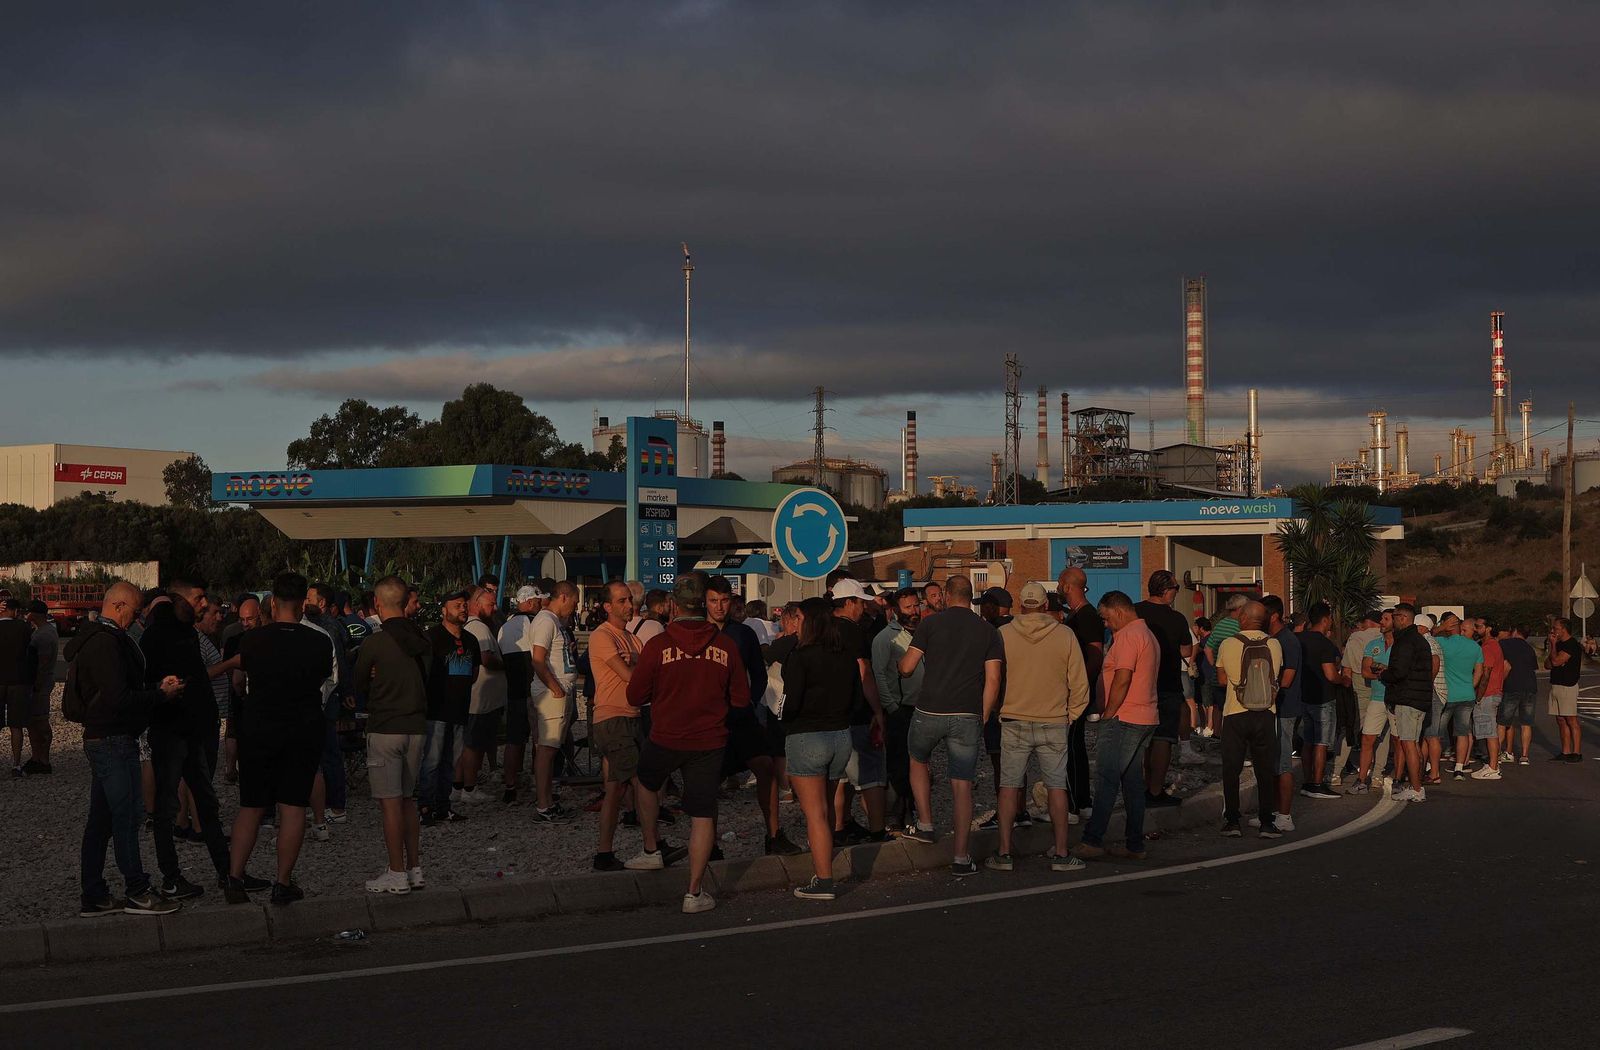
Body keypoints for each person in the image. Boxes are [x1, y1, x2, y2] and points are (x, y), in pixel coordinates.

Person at [624, 572, 747, 914]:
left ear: (674, 605)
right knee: (702, 813)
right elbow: (741, 699)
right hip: (709, 740)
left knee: (646, 782)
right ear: (704, 605)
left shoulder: (658, 645)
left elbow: (635, 694)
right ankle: (694, 892)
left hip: (665, 735)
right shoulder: (725, 646)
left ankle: (651, 850)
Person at [68, 582, 185, 917]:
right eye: (134, 613)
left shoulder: (94, 639)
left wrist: (155, 688)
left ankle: (94, 894)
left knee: (102, 820)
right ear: (119, 606)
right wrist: (160, 695)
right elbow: (119, 698)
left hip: (104, 737)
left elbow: (116, 691)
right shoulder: (106, 644)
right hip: (113, 739)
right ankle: (137, 890)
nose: (136, 621)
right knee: (126, 816)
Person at [226, 573, 335, 905]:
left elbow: (239, 681)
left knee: (251, 806)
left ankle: (234, 878)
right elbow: (320, 679)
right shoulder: (319, 642)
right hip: (301, 727)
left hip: (259, 727)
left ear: (272, 602)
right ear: (303, 603)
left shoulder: (253, 640)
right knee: (292, 807)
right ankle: (282, 881)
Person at [898, 575, 1003, 877]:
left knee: (918, 757)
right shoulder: (987, 631)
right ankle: (960, 856)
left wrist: (899, 669)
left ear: (945, 595)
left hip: (929, 709)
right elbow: (993, 679)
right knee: (962, 785)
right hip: (967, 713)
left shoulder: (930, 625)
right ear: (970, 597)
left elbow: (907, 667)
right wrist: (982, 716)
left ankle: (926, 824)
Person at [986, 582, 1090, 872]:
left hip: (1013, 718)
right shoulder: (1065, 635)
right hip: (1053, 720)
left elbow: (992, 678)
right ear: (1046, 606)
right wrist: (1072, 714)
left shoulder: (1003, 634)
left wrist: (997, 710)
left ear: (1021, 606)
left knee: (1008, 787)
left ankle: (1004, 852)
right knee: (1057, 787)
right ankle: (1060, 852)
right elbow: (1079, 683)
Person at [140, 578, 233, 901]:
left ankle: (228, 873)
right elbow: (150, 682)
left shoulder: (186, 632)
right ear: (178, 600)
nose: (204, 604)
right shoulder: (157, 635)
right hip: (170, 732)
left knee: (207, 804)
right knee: (168, 808)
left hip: (193, 732)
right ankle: (171, 877)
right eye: (198, 598)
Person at [705, 575, 797, 854]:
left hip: (740, 715)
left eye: (724, 601)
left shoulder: (743, 633)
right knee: (708, 781)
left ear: (732, 602)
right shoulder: (698, 633)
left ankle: (773, 835)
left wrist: (747, 701)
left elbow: (759, 674)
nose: (719, 607)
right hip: (709, 720)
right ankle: (710, 844)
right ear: (704, 602)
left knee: (766, 767)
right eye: (713, 601)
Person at [351, 575, 431, 894]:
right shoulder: (421, 640)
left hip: (385, 727)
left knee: (390, 804)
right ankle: (414, 868)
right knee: (409, 800)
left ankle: (395, 872)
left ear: (378, 604)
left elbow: (358, 682)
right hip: (417, 726)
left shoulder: (375, 642)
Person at [781, 598, 865, 900]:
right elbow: (857, 699)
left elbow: (790, 703)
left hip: (807, 735)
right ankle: (824, 863)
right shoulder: (845, 655)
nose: (796, 622)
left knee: (814, 813)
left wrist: (783, 720)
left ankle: (824, 879)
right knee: (827, 807)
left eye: (800, 617)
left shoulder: (801, 656)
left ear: (810, 620)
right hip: (840, 735)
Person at [1075, 591, 1161, 861]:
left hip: (1125, 717)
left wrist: (1109, 714)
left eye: (1106, 617)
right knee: (1132, 783)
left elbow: (1122, 678)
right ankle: (1134, 844)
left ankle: (1093, 839)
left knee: (1106, 779)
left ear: (1118, 611)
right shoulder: (1146, 634)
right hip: (1144, 715)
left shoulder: (1127, 636)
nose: (1105, 623)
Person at [588, 581, 647, 871]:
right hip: (613, 717)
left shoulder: (633, 640)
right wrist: (637, 664)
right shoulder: (602, 636)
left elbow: (649, 672)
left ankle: (604, 852)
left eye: (630, 600)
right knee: (640, 779)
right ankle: (654, 845)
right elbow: (631, 677)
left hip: (632, 715)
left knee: (615, 787)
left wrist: (637, 661)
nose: (629, 605)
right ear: (608, 606)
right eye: (622, 601)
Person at [827, 578, 889, 846]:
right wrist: (877, 710)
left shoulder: (822, 629)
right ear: (849, 603)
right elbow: (864, 672)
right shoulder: (852, 632)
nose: (863, 609)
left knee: (839, 778)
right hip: (855, 713)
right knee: (870, 776)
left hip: (829, 716)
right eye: (860, 603)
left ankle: (838, 828)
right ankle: (878, 832)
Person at [1215, 601, 1284, 837]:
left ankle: (1233, 821)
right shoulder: (1274, 644)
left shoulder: (1228, 643)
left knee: (1231, 769)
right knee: (1264, 769)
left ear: (1242, 618)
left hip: (1235, 713)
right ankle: (1267, 822)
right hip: (1266, 713)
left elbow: (1222, 680)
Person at [1133, 570, 1195, 809]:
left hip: (1139, 683)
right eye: (1176, 588)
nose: (1176, 593)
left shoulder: (1135, 612)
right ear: (1167, 590)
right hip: (1167, 683)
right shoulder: (1177, 618)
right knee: (1163, 739)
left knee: (1140, 740)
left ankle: (1137, 787)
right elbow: (1187, 651)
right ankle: (1155, 790)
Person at [419, 589, 478, 825]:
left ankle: (444, 807)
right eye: (456, 605)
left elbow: (473, 673)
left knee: (451, 762)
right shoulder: (431, 637)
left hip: (460, 710)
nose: (462, 609)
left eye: (464, 605)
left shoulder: (471, 640)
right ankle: (425, 807)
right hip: (436, 710)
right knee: (432, 760)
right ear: (444, 609)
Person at [871, 588, 924, 833]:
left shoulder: (925, 632)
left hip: (923, 708)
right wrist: (891, 706)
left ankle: (915, 810)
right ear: (896, 610)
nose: (914, 611)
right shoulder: (885, 638)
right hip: (900, 709)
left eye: (916, 605)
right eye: (908, 607)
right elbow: (879, 674)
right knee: (898, 763)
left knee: (920, 762)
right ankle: (896, 815)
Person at [526, 582, 580, 820]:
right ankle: (543, 804)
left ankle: (547, 800)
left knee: (550, 749)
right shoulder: (546, 621)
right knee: (546, 750)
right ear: (564, 597)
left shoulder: (554, 622)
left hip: (559, 690)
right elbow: (538, 659)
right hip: (551, 693)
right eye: (575, 603)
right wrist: (555, 687)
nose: (575, 608)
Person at [1058, 567, 1105, 820]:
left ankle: (1076, 802)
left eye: (1059, 582)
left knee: (1071, 746)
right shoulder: (1074, 616)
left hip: (1077, 693)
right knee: (1073, 746)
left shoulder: (1087, 616)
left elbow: (1095, 655)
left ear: (1067, 586)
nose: (1057, 586)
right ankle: (1081, 800)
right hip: (1073, 691)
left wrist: (1079, 688)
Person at [1378, 604, 1432, 802]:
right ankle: (1416, 785)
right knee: (1414, 744)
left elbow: (1399, 672)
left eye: (1394, 617)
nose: (1391, 621)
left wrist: (1384, 674)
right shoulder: (1420, 640)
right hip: (1419, 698)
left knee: (1408, 743)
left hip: (1407, 698)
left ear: (1403, 618)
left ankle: (1417, 789)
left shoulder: (1405, 642)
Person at [1257, 595, 1301, 833]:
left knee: (1283, 763)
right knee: (1272, 762)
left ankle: (1285, 815)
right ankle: (1272, 812)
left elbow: (1287, 678)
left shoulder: (1287, 641)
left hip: (1284, 710)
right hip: (1273, 709)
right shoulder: (1273, 639)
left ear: (1273, 616)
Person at [496, 584, 544, 804]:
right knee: (539, 739)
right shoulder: (534, 623)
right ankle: (538, 781)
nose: (541, 603)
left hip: (513, 690)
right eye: (539, 600)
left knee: (514, 741)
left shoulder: (505, 626)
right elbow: (540, 658)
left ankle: (510, 786)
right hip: (533, 690)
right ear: (531, 602)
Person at [459, 586, 506, 804]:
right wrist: (506, 666)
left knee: (471, 743)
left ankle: (460, 785)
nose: (494, 608)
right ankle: (469, 788)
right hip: (481, 700)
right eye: (490, 604)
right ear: (477, 605)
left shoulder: (471, 627)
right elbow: (486, 658)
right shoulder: (479, 628)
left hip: (480, 697)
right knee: (474, 745)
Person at [1297, 602, 1344, 799]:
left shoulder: (1297, 639)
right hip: (1323, 698)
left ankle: (1307, 781)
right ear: (1325, 620)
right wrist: (1344, 680)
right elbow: (1331, 675)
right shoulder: (1325, 645)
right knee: (1321, 743)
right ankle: (1317, 782)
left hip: (1302, 696)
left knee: (1307, 741)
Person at [1349, 610, 1395, 794]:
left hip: (1396, 698)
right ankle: (1361, 780)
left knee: (1398, 741)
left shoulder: (1402, 645)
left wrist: (1381, 670)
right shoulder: (1373, 644)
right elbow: (1365, 671)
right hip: (1376, 698)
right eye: (1381, 619)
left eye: (1386, 619)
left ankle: (1397, 779)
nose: (1381, 622)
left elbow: (1402, 672)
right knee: (1368, 737)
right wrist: (1387, 672)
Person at [1434, 613, 1484, 779]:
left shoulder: (1441, 643)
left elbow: (1427, 636)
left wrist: (1440, 628)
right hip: (1467, 694)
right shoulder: (1475, 647)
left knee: (1436, 733)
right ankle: (1459, 768)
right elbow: (1479, 671)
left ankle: (1430, 767)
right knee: (1462, 732)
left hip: (1446, 695)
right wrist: (1471, 686)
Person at [1340, 609, 1384, 785]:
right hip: (1381, 685)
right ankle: (1378, 774)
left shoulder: (1356, 637)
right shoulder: (1387, 638)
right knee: (1381, 733)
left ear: (1369, 622)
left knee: (1352, 726)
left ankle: (1337, 772)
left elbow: (1347, 666)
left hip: (1359, 682)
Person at [0, 596, 38, 778]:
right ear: (15, 611)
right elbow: (31, 652)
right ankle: (16, 764)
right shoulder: (23, 628)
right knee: (16, 725)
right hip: (19, 681)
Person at [23, 600, 59, 773]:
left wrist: (37, 684)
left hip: (40, 685)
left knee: (40, 721)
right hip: (41, 683)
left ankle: (43, 760)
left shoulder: (43, 635)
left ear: (35, 614)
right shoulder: (46, 631)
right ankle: (37, 756)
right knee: (33, 721)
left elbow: (43, 664)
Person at [1470, 617, 1506, 780]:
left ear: (1489, 628)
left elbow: (1486, 673)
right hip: (1492, 693)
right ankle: (1491, 764)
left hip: (1488, 694)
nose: (1476, 629)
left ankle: (1493, 766)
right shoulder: (1490, 645)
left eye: (1478, 626)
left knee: (1490, 731)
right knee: (1487, 729)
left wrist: (1479, 695)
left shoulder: (1489, 646)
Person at [1497, 625, 1538, 765]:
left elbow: (1502, 663)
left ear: (1514, 632)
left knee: (1502, 721)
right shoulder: (1529, 648)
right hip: (1530, 686)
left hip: (1511, 685)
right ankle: (1525, 755)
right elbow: (1533, 667)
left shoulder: (1505, 643)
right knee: (1526, 722)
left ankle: (1496, 752)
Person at [1547, 618, 1584, 762]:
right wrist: (1553, 647)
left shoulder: (1571, 644)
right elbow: (1548, 665)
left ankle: (1576, 752)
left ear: (1564, 629)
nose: (1553, 631)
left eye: (1555, 628)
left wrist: (1553, 645)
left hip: (1568, 686)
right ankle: (1566, 751)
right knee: (1560, 719)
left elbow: (1556, 661)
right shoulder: (1559, 645)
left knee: (1571, 719)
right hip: (1556, 684)